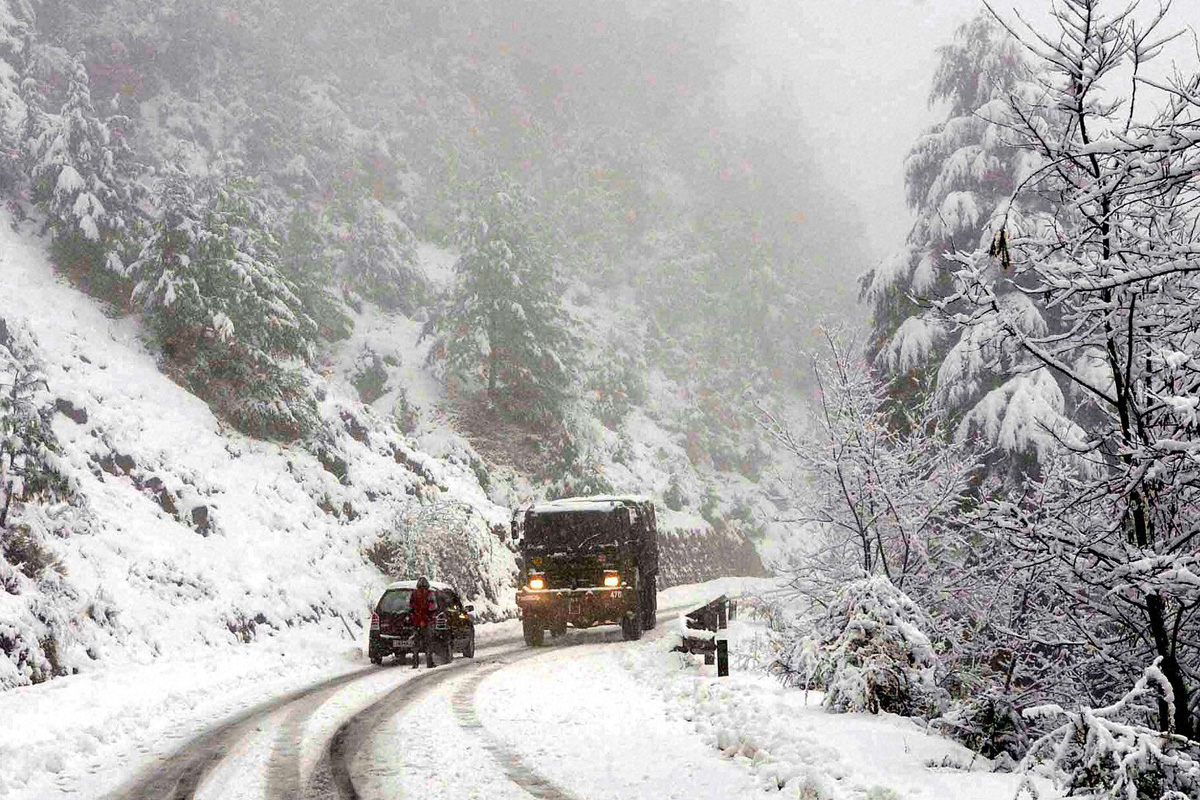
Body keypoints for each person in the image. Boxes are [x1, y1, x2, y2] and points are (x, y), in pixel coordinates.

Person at [408, 576, 437, 669]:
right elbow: (432, 608)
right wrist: (427, 618)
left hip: (416, 622)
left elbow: (410, 607)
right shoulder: (429, 594)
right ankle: (429, 662)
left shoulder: (414, 594)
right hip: (426, 622)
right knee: (428, 643)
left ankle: (415, 662)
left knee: (416, 643)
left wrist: (416, 618)